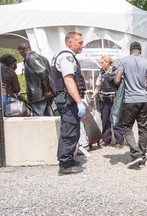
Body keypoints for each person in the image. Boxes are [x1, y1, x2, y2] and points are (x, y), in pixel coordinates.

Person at [114, 41, 147, 169]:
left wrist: (119, 80)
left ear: (130, 50)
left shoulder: (123, 61)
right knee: (143, 129)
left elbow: (117, 80)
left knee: (127, 127)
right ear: (140, 51)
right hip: (144, 101)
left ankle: (135, 154)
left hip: (130, 100)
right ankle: (142, 159)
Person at [50, 32, 87, 174]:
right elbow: (69, 80)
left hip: (65, 98)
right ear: (69, 42)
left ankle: (69, 159)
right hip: (68, 99)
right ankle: (65, 164)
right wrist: (79, 101)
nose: (82, 46)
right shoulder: (67, 57)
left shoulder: (60, 55)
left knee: (72, 129)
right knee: (69, 131)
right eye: (80, 42)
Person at [91, 55, 124, 149]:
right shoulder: (101, 73)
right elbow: (98, 87)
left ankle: (119, 141)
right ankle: (106, 140)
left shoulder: (116, 72)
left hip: (114, 100)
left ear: (108, 62)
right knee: (105, 120)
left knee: (116, 120)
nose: (101, 64)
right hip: (104, 100)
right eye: (101, 62)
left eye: (103, 62)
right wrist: (92, 95)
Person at [18, 42, 54, 116]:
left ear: (21, 51)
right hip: (43, 94)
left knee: (39, 118)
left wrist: (47, 90)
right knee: (49, 117)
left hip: (38, 95)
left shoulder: (31, 58)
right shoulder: (41, 57)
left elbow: (43, 72)